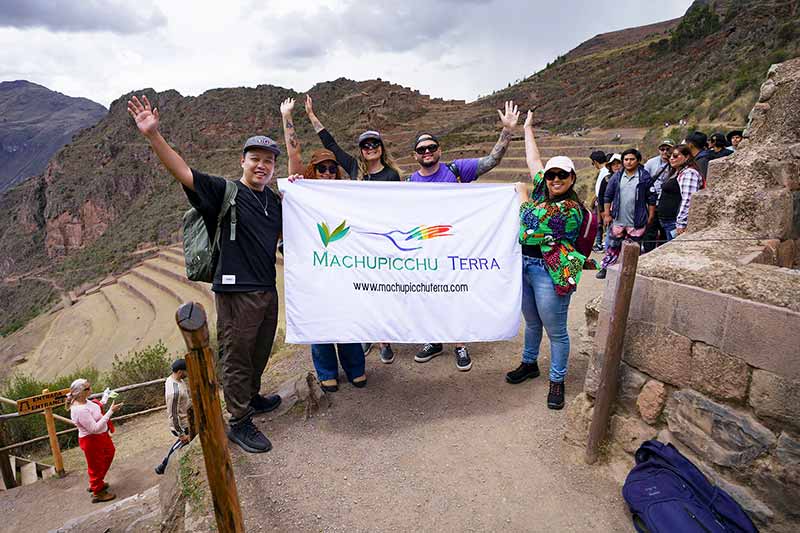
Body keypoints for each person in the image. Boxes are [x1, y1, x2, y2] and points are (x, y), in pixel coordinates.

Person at [128, 94, 282, 454]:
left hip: (265, 288)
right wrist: (153, 135)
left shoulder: (272, 200)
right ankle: (239, 422)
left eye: (268, 162)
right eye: (255, 159)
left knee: (258, 351)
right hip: (235, 291)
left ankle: (252, 397)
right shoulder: (223, 191)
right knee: (236, 354)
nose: (261, 166)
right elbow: (182, 171)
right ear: (242, 161)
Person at [409, 100, 520, 371]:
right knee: (429, 295)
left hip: (456, 247)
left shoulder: (456, 170)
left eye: (431, 147)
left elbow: (493, 161)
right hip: (426, 251)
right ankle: (434, 341)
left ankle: (460, 344)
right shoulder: (409, 182)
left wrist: (507, 131)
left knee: (456, 294)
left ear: (439, 150)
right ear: (415, 155)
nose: (427, 152)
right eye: (422, 149)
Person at [300, 95, 400, 363]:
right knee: (362, 290)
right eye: (365, 145)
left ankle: (385, 340)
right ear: (361, 149)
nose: (370, 148)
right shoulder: (355, 169)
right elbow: (329, 143)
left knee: (382, 291)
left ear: (381, 148)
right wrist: (311, 115)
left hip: (381, 242)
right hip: (356, 241)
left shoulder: (392, 176)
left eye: (374, 144)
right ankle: (369, 335)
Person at [280, 98, 368, 391]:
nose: (328, 173)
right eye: (322, 169)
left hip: (344, 267)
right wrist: (288, 117)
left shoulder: (347, 194)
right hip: (314, 269)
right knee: (319, 317)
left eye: (332, 169)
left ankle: (355, 367)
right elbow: (294, 153)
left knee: (348, 315)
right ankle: (326, 370)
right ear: (312, 171)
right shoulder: (301, 190)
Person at [506, 110, 586, 410]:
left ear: (571, 178)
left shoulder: (571, 210)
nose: (554, 179)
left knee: (556, 330)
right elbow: (534, 161)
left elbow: (530, 219)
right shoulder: (545, 186)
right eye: (552, 175)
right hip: (527, 265)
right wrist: (526, 129)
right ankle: (530, 364)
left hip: (551, 271)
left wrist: (523, 193)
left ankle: (557, 380)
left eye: (561, 175)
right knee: (532, 321)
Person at [597, 148, 656, 279]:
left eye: (632, 159)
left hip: (637, 221)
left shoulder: (644, 177)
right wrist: (607, 214)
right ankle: (606, 268)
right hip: (618, 219)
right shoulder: (617, 177)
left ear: (638, 160)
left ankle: (632, 272)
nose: (629, 162)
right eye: (626, 159)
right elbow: (608, 196)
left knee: (634, 249)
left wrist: (651, 215)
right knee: (612, 247)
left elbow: (652, 197)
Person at [67, 378, 122, 503]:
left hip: (100, 437)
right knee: (96, 465)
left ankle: (97, 482)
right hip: (92, 440)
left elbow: (97, 406)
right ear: (80, 392)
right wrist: (110, 412)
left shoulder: (85, 402)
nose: (90, 389)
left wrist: (105, 397)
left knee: (108, 455)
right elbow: (94, 428)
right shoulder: (79, 410)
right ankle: (98, 492)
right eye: (87, 388)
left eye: (89, 386)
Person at [155, 359, 194, 475]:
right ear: (180, 371)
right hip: (182, 424)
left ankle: (164, 465)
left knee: (182, 444)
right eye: (186, 371)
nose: (187, 373)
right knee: (181, 444)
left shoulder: (173, 379)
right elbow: (173, 414)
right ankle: (164, 465)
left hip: (185, 419)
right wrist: (181, 433)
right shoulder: (175, 392)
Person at [657, 144, 703, 238]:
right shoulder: (676, 172)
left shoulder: (689, 173)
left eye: (675, 156)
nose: (671, 159)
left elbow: (688, 199)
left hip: (675, 223)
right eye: (670, 156)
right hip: (668, 222)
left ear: (686, 157)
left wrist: (681, 223)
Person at [642, 140, 675, 252]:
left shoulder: (676, 162)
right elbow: (644, 180)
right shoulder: (651, 163)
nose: (665, 152)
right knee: (650, 231)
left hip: (667, 203)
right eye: (662, 149)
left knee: (666, 232)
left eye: (668, 149)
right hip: (652, 203)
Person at [590, 150, 609, 251]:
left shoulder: (605, 172)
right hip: (600, 200)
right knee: (599, 223)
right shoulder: (604, 171)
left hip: (603, 201)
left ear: (596, 162)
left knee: (600, 223)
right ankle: (599, 243)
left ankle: (601, 243)